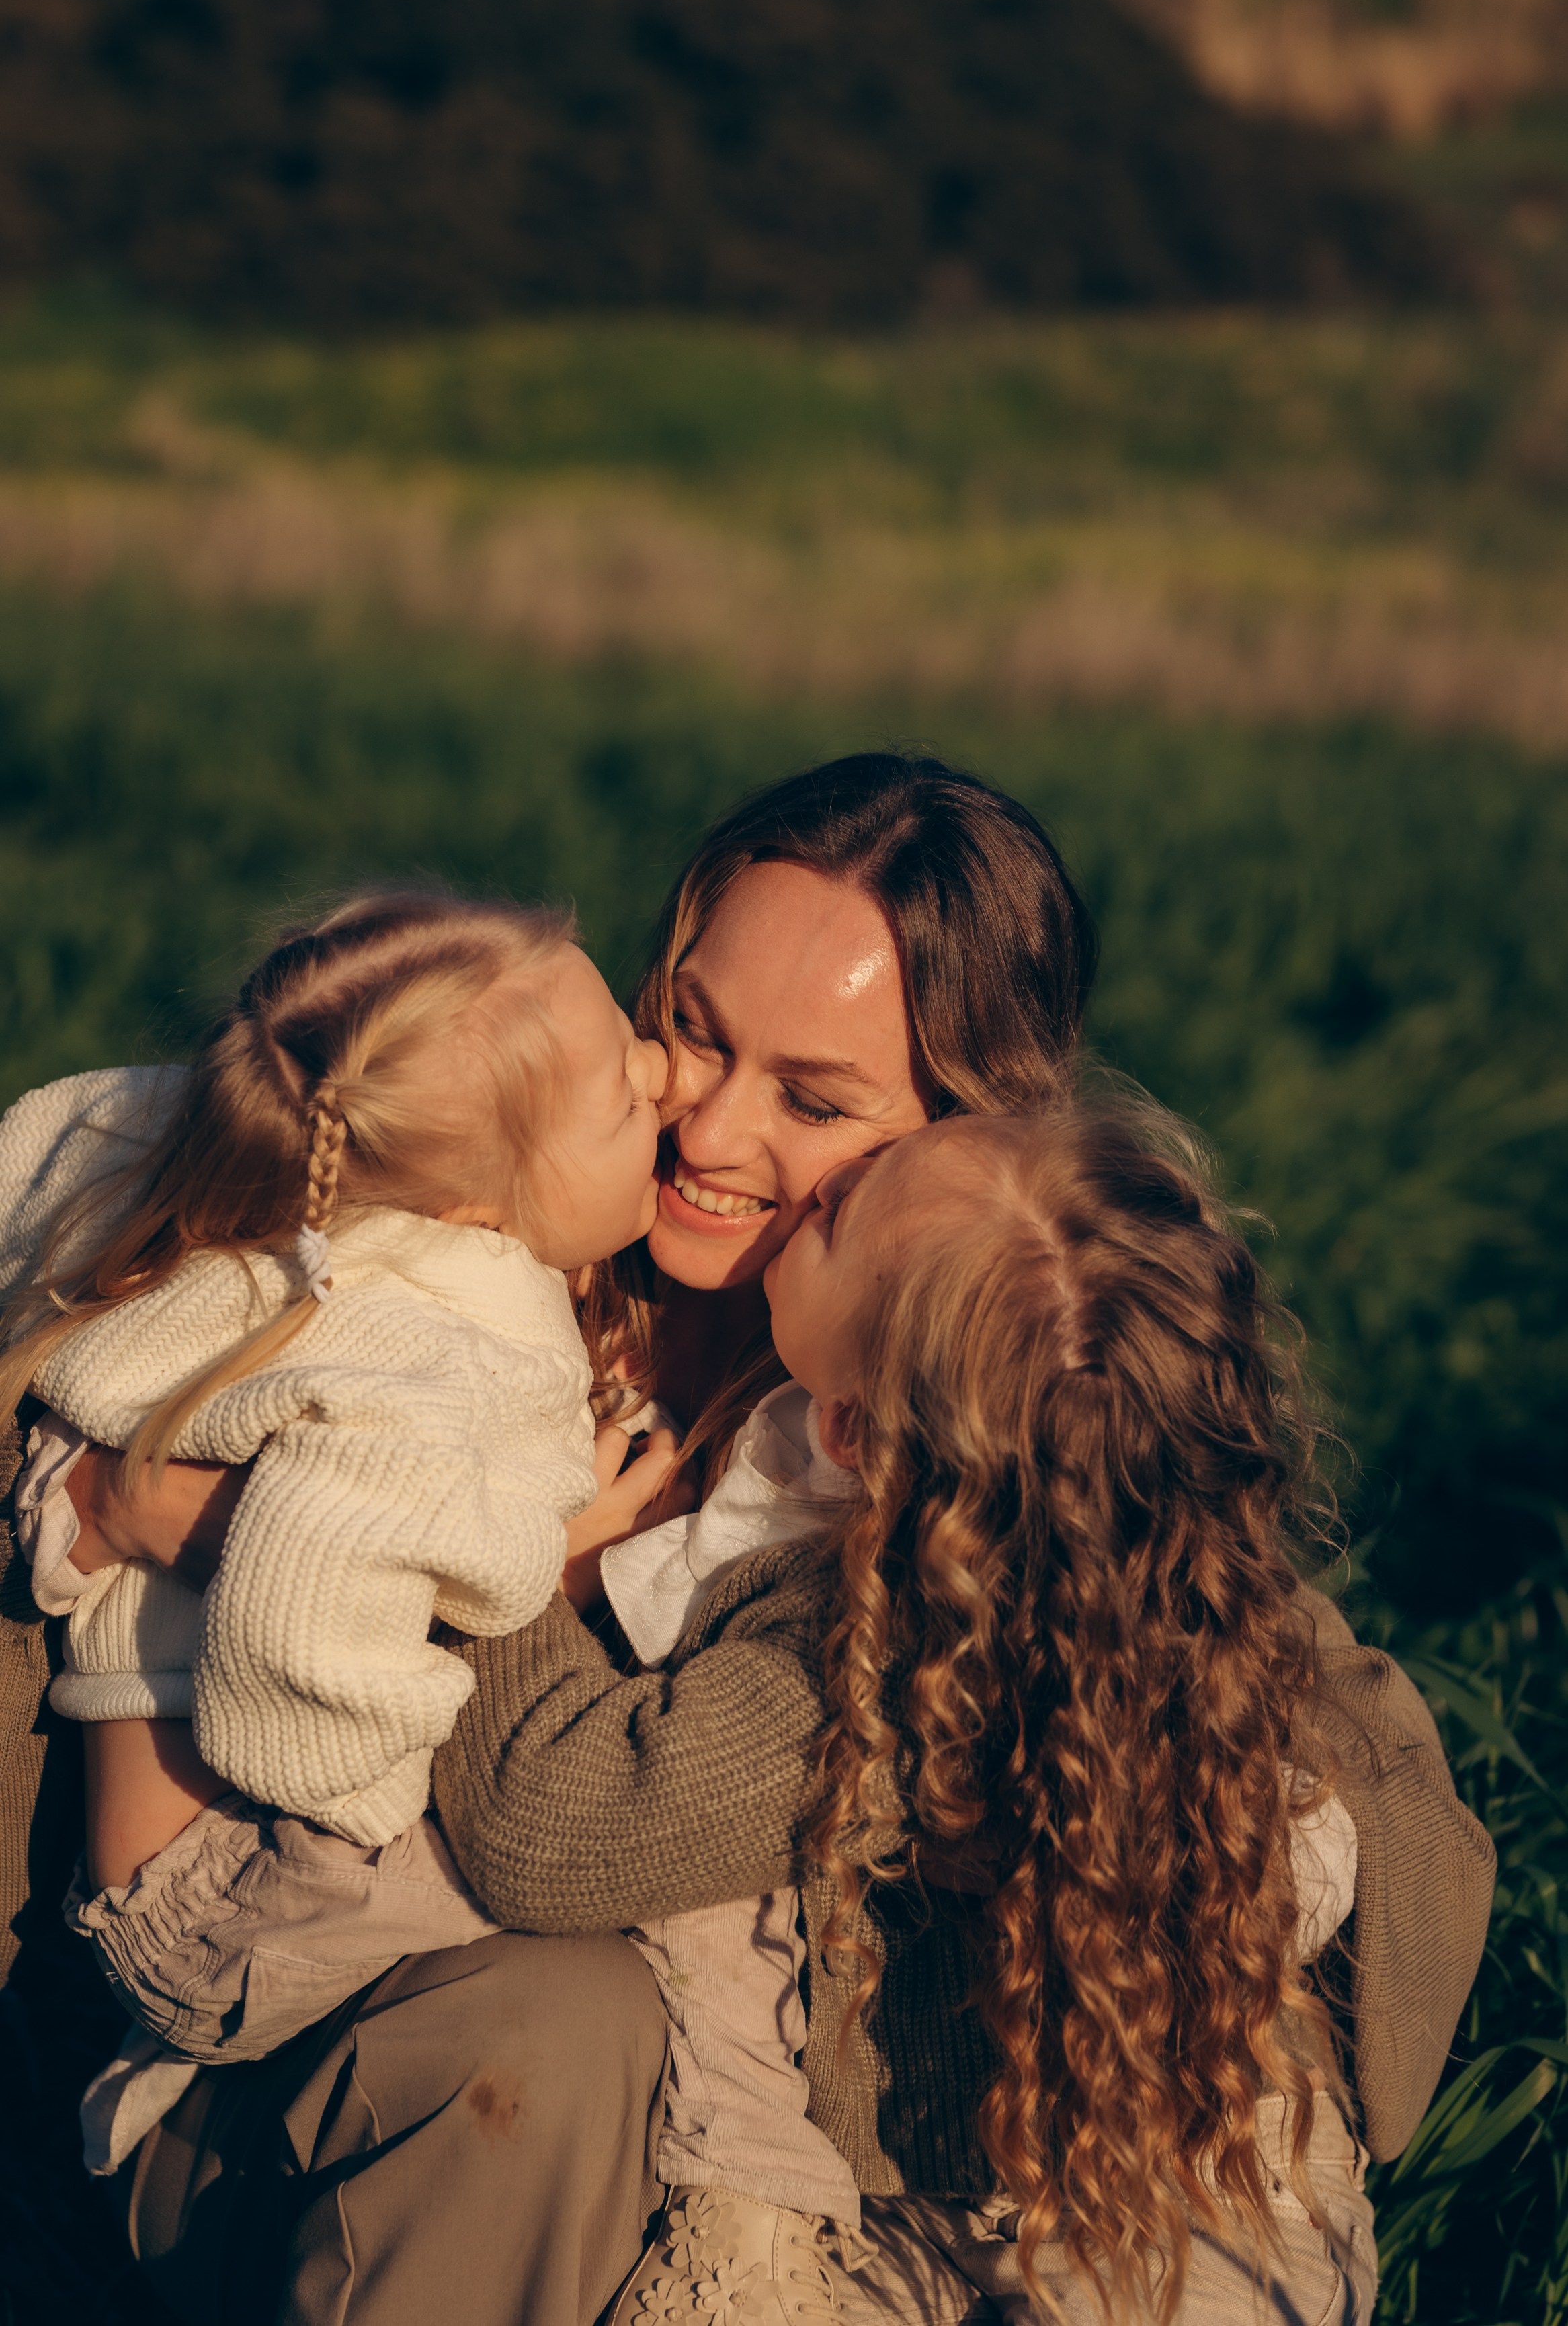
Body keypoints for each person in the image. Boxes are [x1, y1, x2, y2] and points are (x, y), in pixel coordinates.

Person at [0, 754, 1494, 2325]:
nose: (701, 1126)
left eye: (816, 1100)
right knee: (552, 2031)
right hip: (258, 2043)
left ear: (970, 1135)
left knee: (566, 2029)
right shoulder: (486, 1216)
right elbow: (124, 1337)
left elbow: (1234, 1648)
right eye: (693, 1030)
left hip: (650, 2146)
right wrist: (193, 1494)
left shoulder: (965, 1470)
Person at [602, 1099, 1369, 2323]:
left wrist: (538, 1578)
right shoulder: (1143, 1562)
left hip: (1159, 2171)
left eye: (840, 1202)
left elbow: (554, 1821)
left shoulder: (833, 1645)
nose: (811, 1187)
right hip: (1045, 2156)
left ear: (856, 1429)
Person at [0, 890, 667, 2163]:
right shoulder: (450, 1338)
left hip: (163, 1872)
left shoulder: (275, 1206)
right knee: (628, 1911)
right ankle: (147, 2091)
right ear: (479, 1209)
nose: (659, 1073)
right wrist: (543, 1570)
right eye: (625, 1103)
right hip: (230, 1900)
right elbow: (312, 1622)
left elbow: (52, 1141)